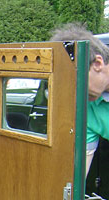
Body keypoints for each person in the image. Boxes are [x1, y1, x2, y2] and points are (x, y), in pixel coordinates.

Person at [50, 23, 109, 176]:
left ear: (97, 63)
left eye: (75, 80)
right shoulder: (87, 105)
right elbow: (79, 172)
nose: (74, 90)